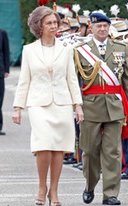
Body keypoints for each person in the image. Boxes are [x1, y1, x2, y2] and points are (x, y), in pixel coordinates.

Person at [12, 6, 83, 206]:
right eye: (49, 23)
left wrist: (78, 105)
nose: (53, 26)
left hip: (61, 103)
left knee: (58, 148)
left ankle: (54, 191)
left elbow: (71, 79)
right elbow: (24, 80)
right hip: (38, 103)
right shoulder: (29, 50)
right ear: (39, 27)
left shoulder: (66, 50)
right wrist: (18, 107)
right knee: (43, 145)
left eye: (55, 22)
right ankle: (42, 187)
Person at [75, 12, 128, 205]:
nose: (102, 29)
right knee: (89, 151)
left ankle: (110, 193)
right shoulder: (80, 50)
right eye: (98, 26)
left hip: (114, 107)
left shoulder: (120, 48)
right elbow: (72, 80)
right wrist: (75, 105)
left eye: (105, 26)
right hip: (90, 107)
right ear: (91, 27)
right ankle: (90, 184)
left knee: (112, 152)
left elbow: (127, 80)